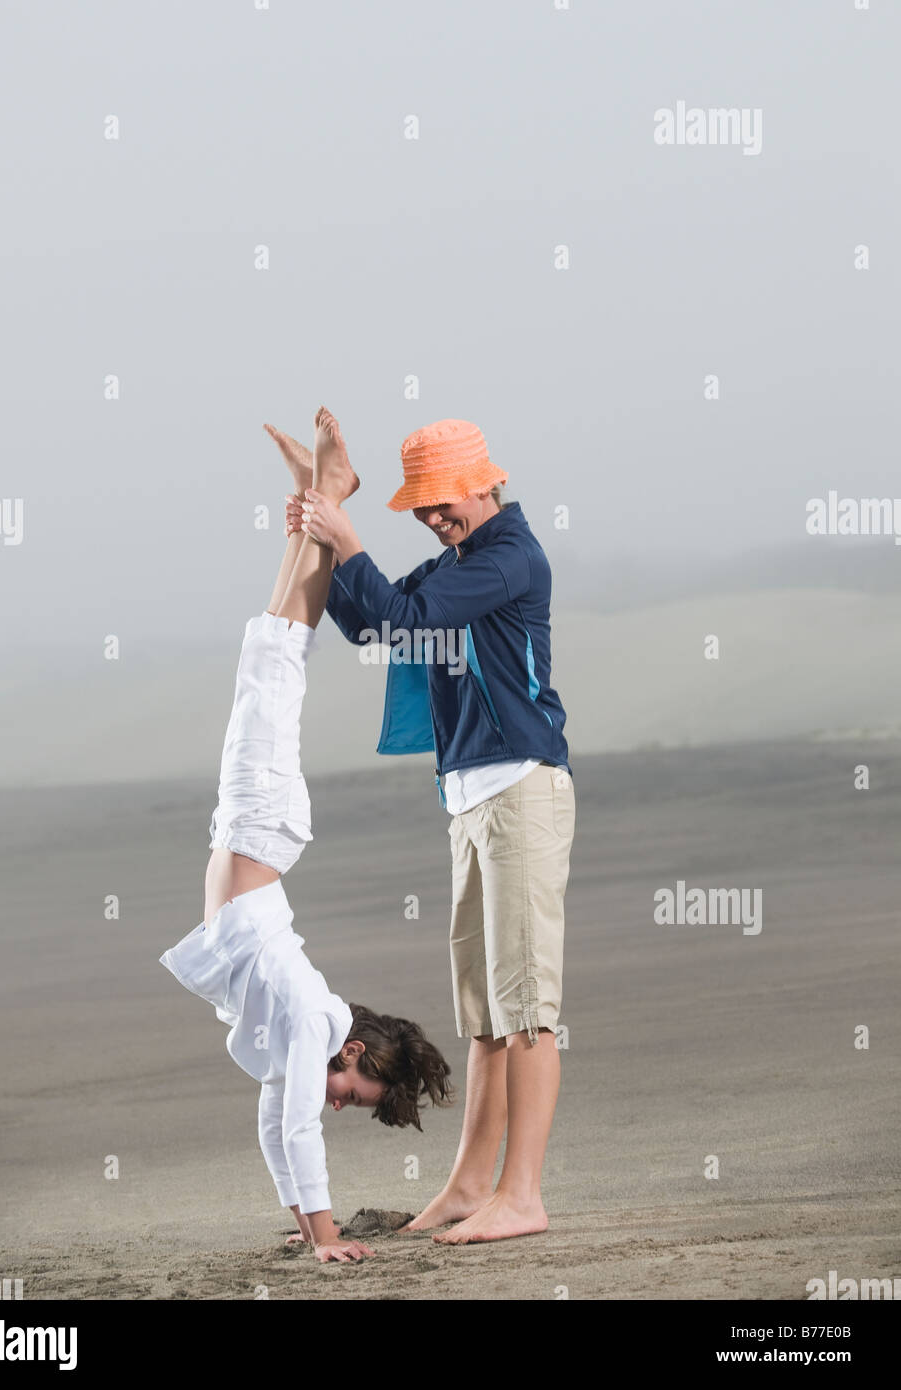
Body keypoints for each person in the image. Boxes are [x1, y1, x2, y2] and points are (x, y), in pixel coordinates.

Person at [158, 410, 452, 1264]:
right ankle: (328, 498)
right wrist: (327, 1239)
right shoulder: (308, 1019)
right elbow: (297, 1127)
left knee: (268, 655)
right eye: (353, 1093)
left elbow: (272, 1124)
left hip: (253, 829)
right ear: (353, 1051)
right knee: (274, 664)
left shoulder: (301, 1042)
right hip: (263, 821)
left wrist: (301, 1218)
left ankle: (315, 497)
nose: (337, 1101)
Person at [283, 411, 575, 1246]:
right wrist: (324, 522)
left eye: (443, 501)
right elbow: (374, 625)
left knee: (527, 1011)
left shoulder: (509, 560)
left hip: (521, 787)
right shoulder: (458, 565)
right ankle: (468, 1188)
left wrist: (347, 533)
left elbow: (408, 621)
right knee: (484, 1015)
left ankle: (522, 1195)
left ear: (484, 483)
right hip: (470, 796)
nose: (432, 516)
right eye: (421, 505)